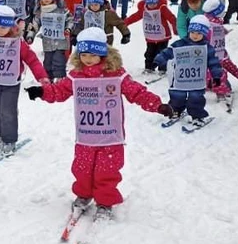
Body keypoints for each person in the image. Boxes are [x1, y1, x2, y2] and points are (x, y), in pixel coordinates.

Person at [26, 27, 171, 220]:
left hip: (110, 136)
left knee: (107, 170)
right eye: (84, 54)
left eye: (93, 55)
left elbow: (136, 92)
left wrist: (158, 106)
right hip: (86, 135)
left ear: (103, 53)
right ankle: (84, 194)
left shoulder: (116, 75)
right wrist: (42, 92)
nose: (87, 59)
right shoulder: (76, 76)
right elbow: (59, 91)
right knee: (82, 168)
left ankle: (105, 201)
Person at [0, 5, 47, 153]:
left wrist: (41, 76)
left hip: (10, 83)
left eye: (3, 27)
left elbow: (32, 59)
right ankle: (1, 134)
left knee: (7, 111)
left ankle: (9, 139)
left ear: (10, 26)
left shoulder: (17, 42)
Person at [153, 14, 224, 128]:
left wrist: (216, 76)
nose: (195, 36)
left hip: (197, 80)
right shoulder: (180, 43)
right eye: (193, 32)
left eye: (199, 33)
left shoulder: (207, 48)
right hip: (180, 79)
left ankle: (197, 116)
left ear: (204, 33)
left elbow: (214, 63)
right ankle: (175, 110)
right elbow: (168, 51)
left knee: (196, 98)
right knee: (177, 96)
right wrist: (159, 59)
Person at [124, 0, 177, 74]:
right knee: (149, 53)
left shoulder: (162, 7)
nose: (152, 5)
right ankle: (149, 67)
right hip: (150, 36)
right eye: (150, 3)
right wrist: (126, 22)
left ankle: (162, 68)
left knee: (162, 53)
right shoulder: (144, 8)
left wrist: (175, 27)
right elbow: (136, 16)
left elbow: (171, 17)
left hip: (162, 36)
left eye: (154, 3)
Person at [26, 0, 72, 80]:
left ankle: (60, 78)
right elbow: (35, 24)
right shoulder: (40, 12)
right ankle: (48, 78)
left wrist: (68, 28)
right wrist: (30, 36)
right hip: (47, 42)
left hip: (60, 41)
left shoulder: (61, 10)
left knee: (58, 60)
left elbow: (70, 19)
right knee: (48, 61)